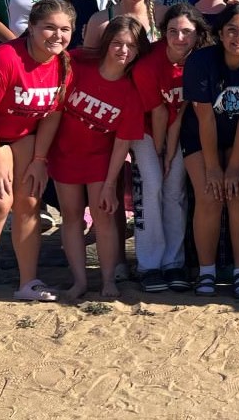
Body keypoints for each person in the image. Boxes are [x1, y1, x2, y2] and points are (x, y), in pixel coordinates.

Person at [0, 0, 75, 315]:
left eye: (65, 29)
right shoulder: (5, 58)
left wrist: (39, 159)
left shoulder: (63, 64)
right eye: (49, 27)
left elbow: (52, 115)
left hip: (21, 132)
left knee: (30, 201)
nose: (57, 35)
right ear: (31, 27)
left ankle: (27, 282)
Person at [51, 16, 148, 300]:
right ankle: (79, 281)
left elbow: (122, 143)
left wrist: (109, 183)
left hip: (100, 162)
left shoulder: (131, 91)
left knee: (103, 219)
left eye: (130, 46)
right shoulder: (79, 64)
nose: (123, 50)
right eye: (117, 43)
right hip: (64, 155)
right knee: (70, 218)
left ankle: (107, 280)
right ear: (107, 44)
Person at [182, 2, 239, 299]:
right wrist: (213, 168)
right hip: (201, 135)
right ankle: (206, 271)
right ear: (220, 34)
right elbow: (205, 117)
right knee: (209, 195)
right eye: (231, 30)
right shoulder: (200, 62)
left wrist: (232, 168)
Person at [131, 4, 212, 293]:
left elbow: (180, 114)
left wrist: (171, 152)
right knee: (151, 187)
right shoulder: (148, 64)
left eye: (186, 32)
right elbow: (159, 114)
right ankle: (149, 265)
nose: (179, 38)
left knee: (175, 192)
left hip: (178, 130)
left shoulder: (200, 61)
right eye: (173, 31)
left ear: (197, 34)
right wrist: (160, 152)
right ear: (164, 32)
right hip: (145, 131)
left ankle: (173, 263)